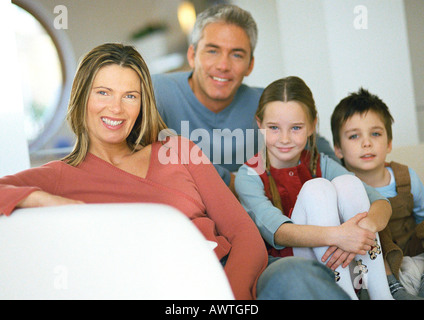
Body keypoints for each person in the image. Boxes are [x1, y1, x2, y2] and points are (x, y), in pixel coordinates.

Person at [0, 43, 269, 300]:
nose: (116, 108)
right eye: (103, 92)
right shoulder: (57, 176)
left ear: (142, 105)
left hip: (219, 281)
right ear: (82, 97)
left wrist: (227, 302)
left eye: (130, 96)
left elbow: (245, 236)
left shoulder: (178, 150)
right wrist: (40, 198)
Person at [151, 4, 338, 194]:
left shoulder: (268, 105)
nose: (223, 65)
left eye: (237, 55)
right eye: (212, 51)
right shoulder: (156, 93)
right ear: (192, 55)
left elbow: (326, 161)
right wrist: (232, 181)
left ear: (250, 65)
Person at [235, 76, 394, 300]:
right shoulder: (249, 175)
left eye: (296, 128)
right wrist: (339, 236)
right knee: (317, 188)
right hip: (296, 266)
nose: (285, 138)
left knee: (349, 183)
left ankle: (382, 295)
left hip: (346, 258)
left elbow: (380, 202)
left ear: (312, 125)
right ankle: (343, 294)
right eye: (273, 128)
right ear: (260, 125)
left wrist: (362, 230)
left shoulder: (322, 162)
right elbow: (278, 232)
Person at [331, 88, 424, 299]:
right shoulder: (342, 189)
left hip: (413, 258)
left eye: (375, 133)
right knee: (366, 224)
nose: (366, 143)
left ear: (389, 143)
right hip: (373, 271)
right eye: (354, 136)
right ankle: (392, 287)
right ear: (338, 149)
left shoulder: (406, 178)